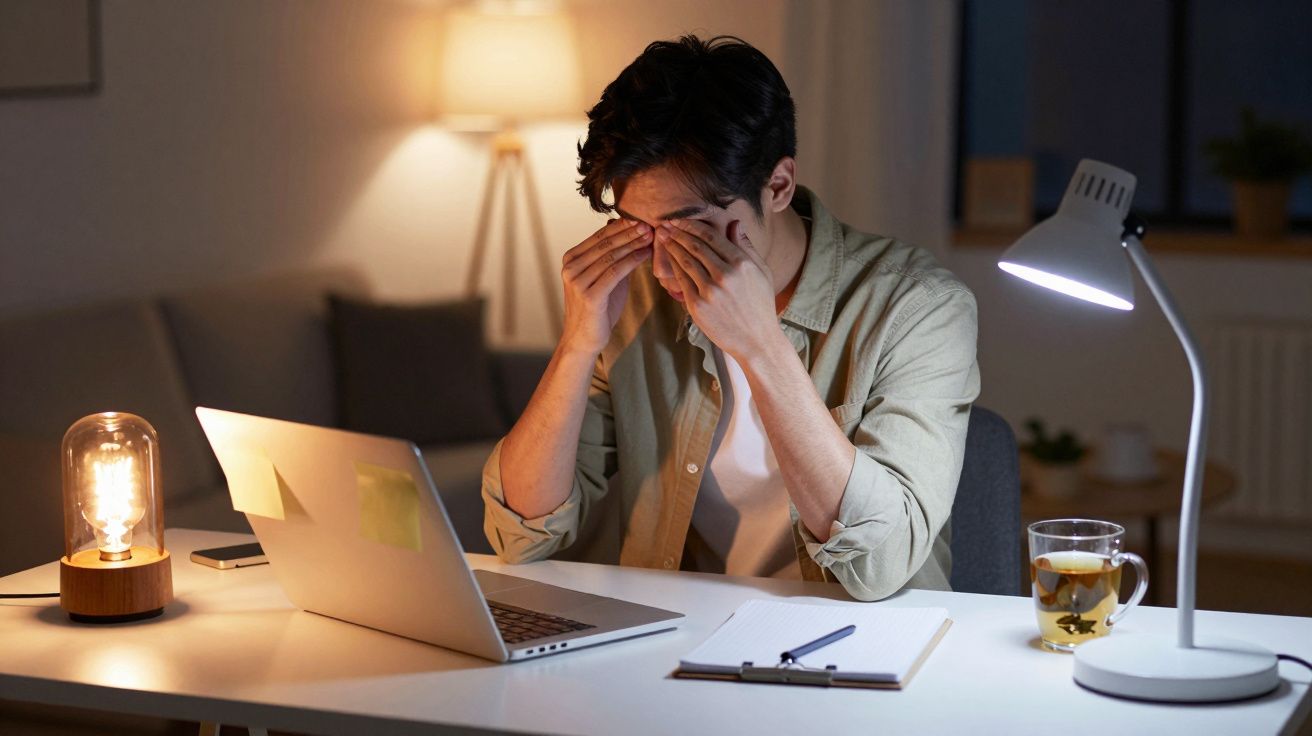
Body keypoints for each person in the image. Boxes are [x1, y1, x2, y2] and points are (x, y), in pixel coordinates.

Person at [480, 35, 979, 601]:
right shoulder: (635, 296)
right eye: (637, 229)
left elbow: (882, 563)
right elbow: (521, 533)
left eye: (689, 228)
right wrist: (577, 344)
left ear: (778, 186)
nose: (663, 265)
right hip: (679, 638)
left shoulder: (918, 307)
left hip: (856, 648)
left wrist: (762, 345)